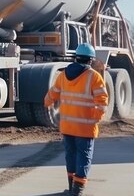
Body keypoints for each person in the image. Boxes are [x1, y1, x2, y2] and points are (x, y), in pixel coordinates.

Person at [44, 43, 108, 196]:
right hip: (85, 128)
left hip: (67, 126)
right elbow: (102, 102)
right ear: (90, 60)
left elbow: (52, 94)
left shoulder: (63, 75)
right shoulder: (94, 77)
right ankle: (77, 190)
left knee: (71, 155)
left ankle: (72, 186)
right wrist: (96, 119)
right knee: (84, 156)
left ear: (76, 57)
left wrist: (46, 103)